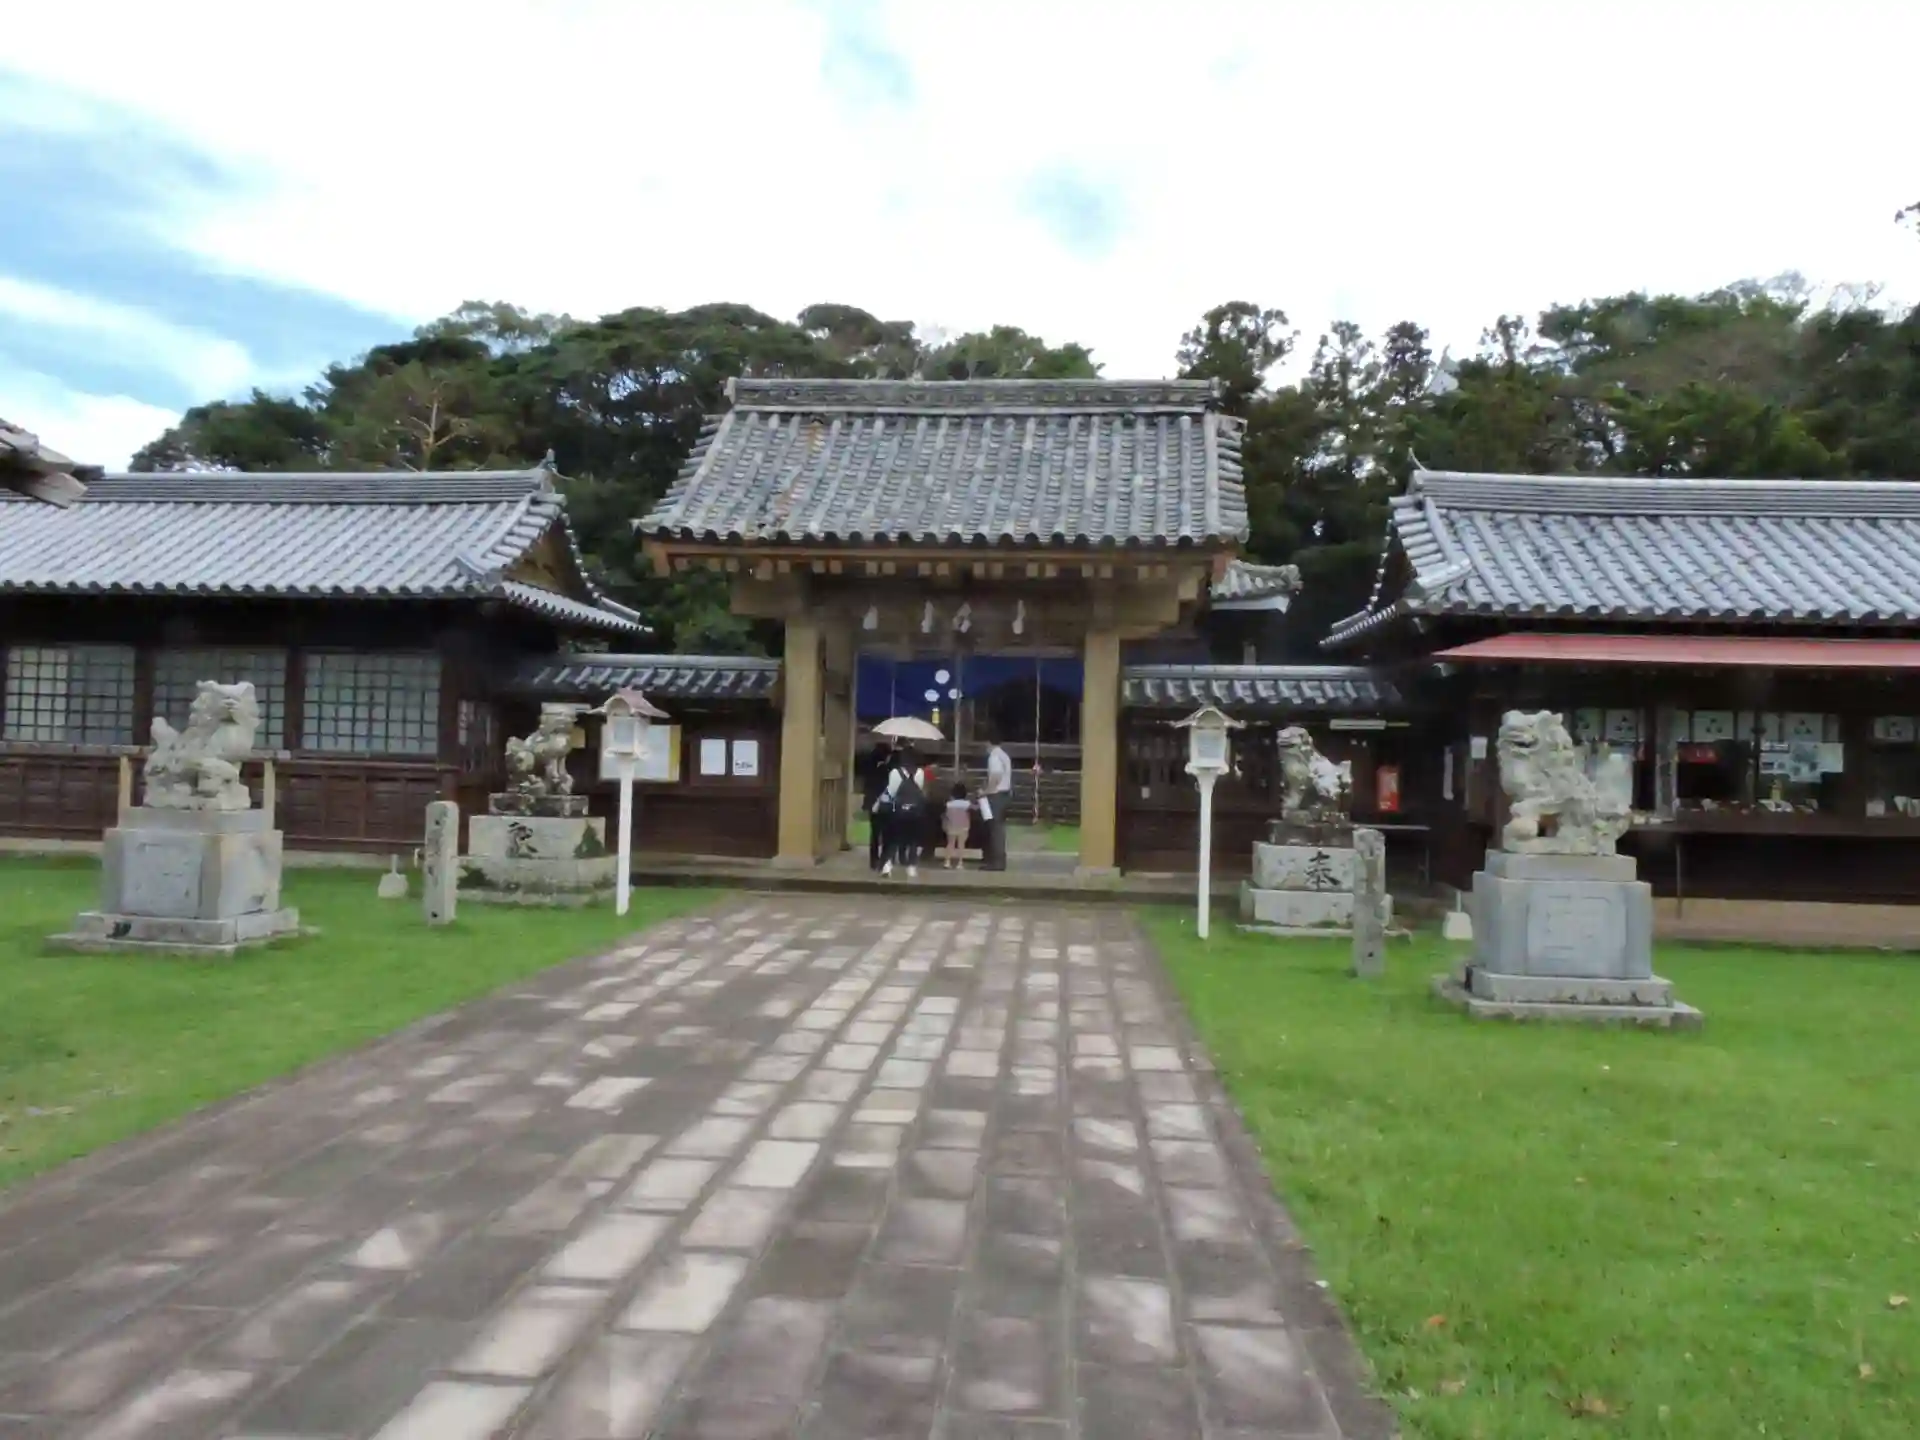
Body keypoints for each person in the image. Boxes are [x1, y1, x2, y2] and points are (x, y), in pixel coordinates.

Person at [878, 747, 928, 878]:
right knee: (913, 840)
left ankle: (888, 865)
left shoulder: (896, 773)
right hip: (915, 812)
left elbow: (891, 792)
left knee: (893, 839)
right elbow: (920, 790)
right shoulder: (920, 773)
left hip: (898, 812)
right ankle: (911, 867)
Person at [981, 730, 1013, 871]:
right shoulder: (1004, 755)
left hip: (996, 795)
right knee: (999, 828)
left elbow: (995, 775)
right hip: (1005, 793)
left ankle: (996, 861)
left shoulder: (993, 756)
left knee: (995, 829)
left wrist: (986, 791)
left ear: (988, 743)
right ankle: (1000, 860)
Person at [862, 741, 893, 871]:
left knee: (874, 834)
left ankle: (873, 860)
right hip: (884, 804)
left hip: (873, 804)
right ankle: (884, 859)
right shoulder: (886, 770)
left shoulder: (870, 769)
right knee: (886, 834)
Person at [942, 782, 974, 869]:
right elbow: (975, 808)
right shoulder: (967, 803)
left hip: (951, 826)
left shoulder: (949, 804)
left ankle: (947, 862)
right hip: (963, 826)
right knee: (961, 845)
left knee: (950, 844)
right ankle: (960, 863)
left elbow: (946, 815)